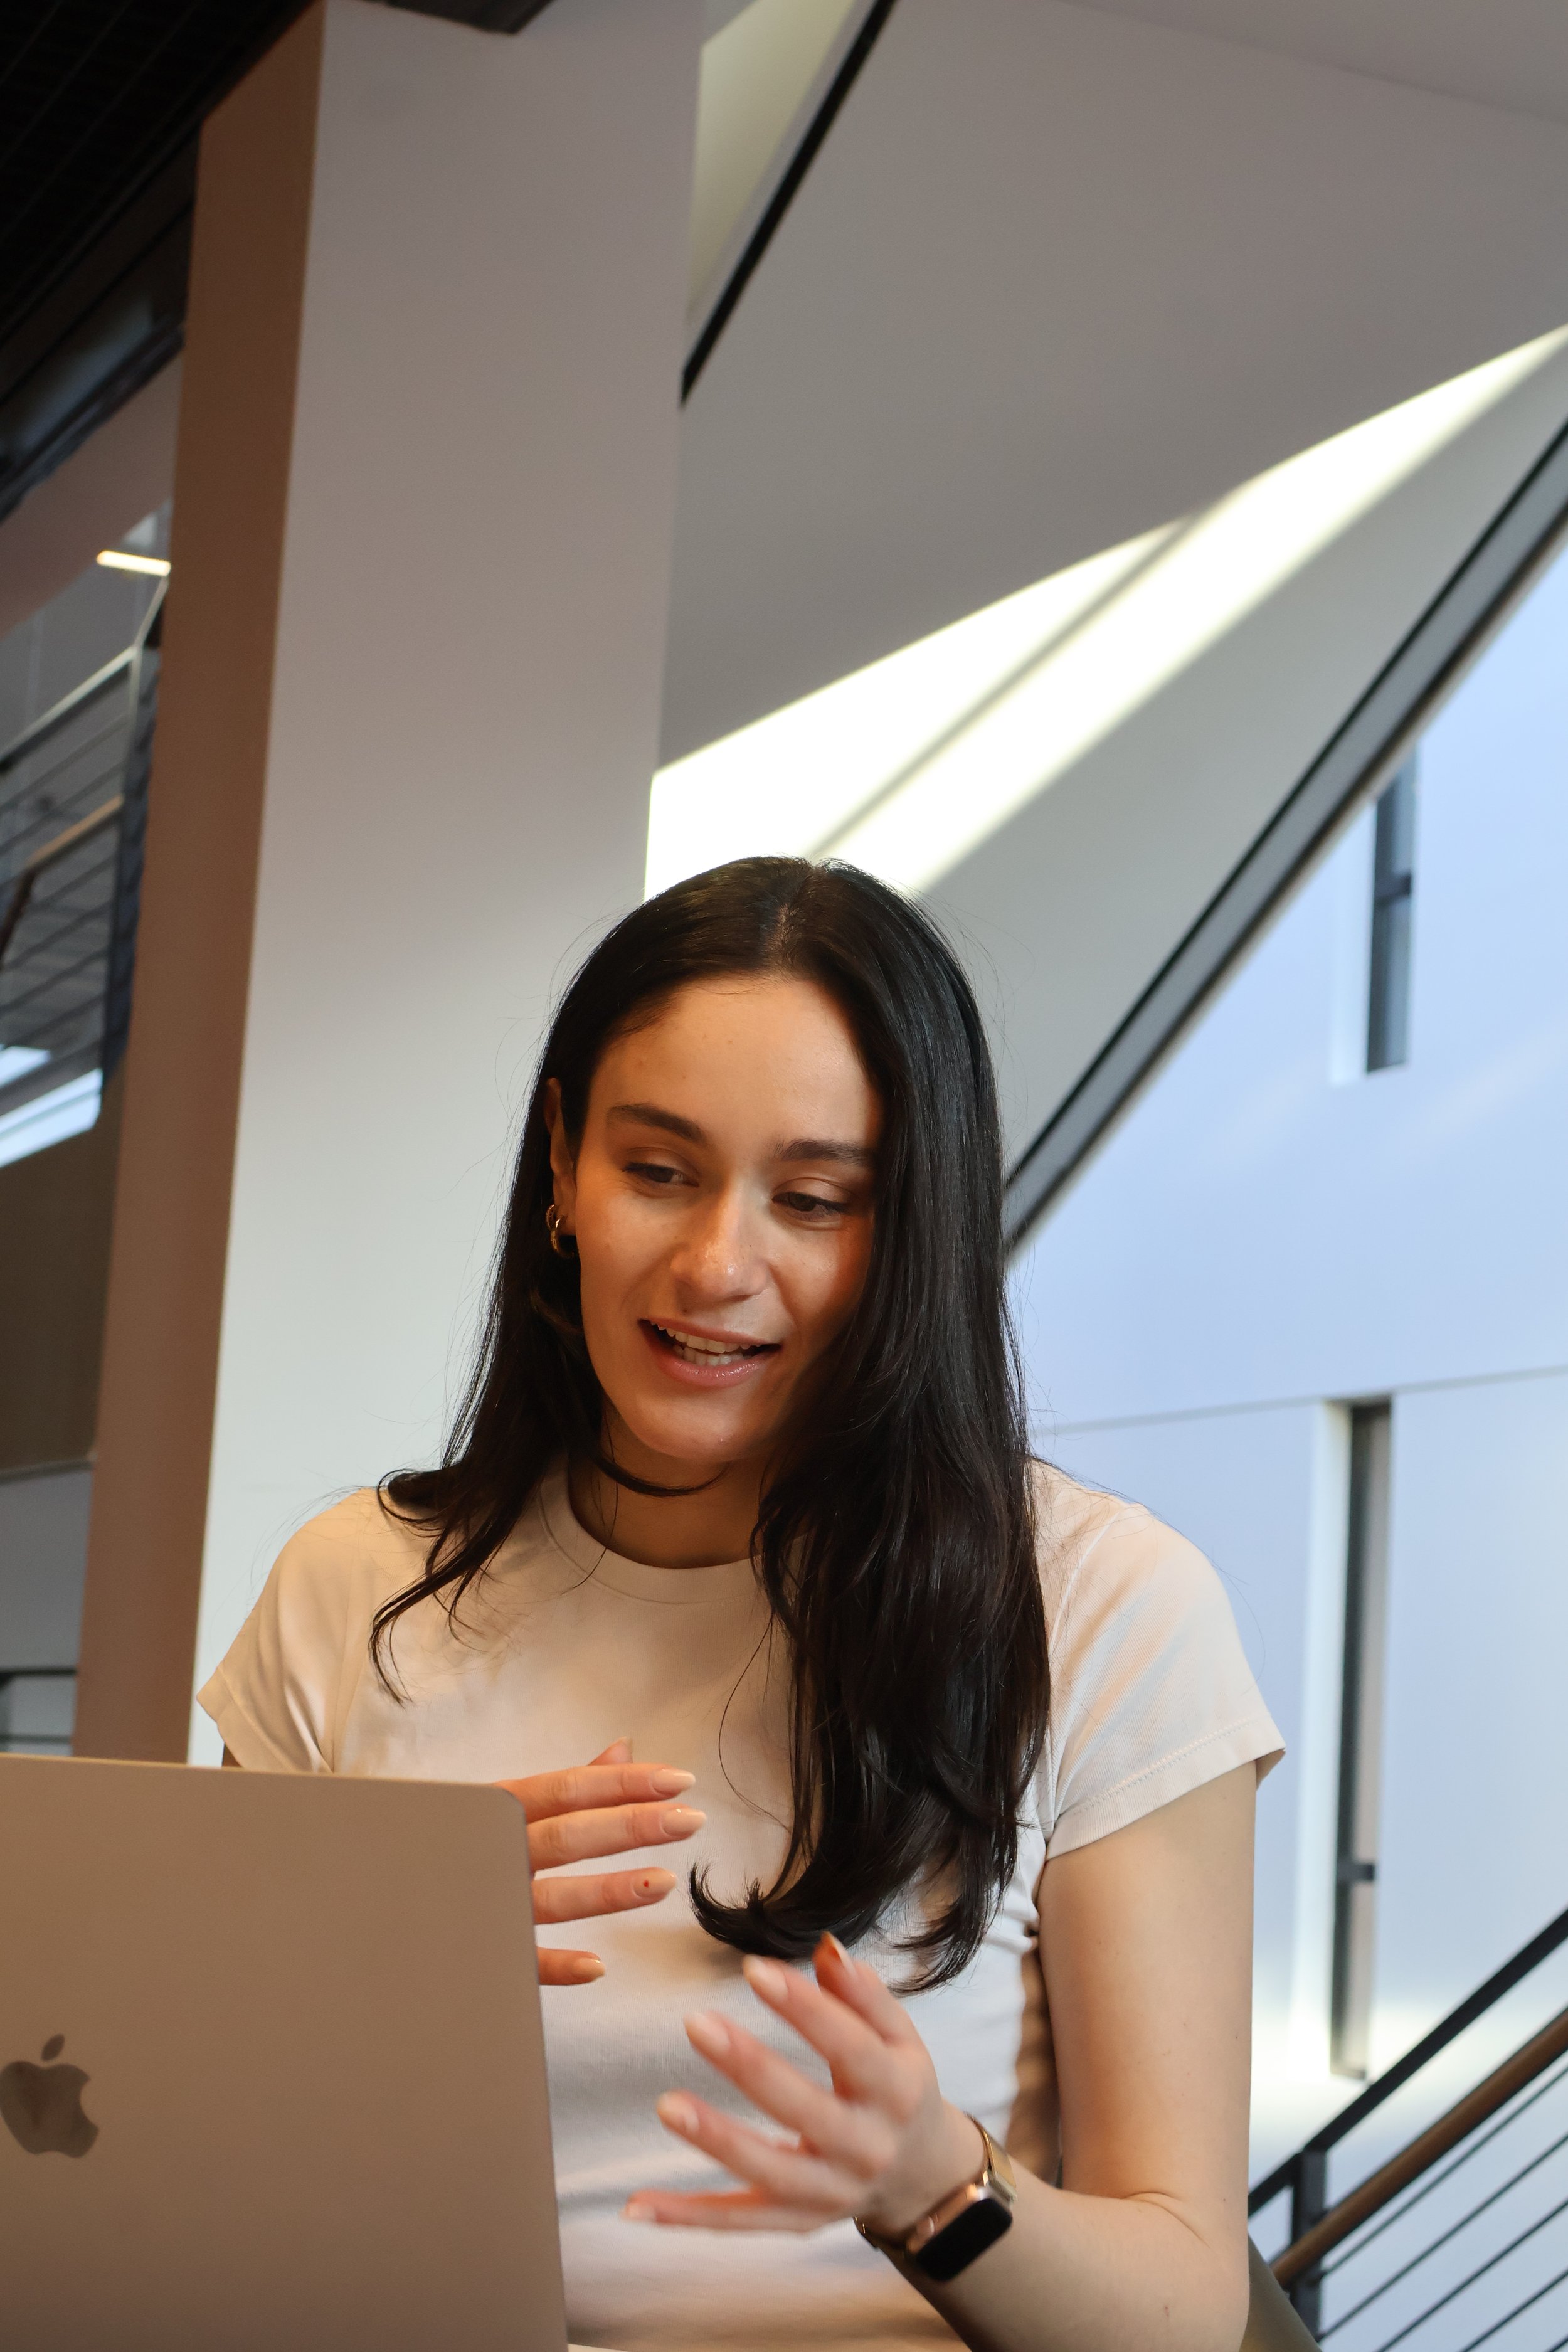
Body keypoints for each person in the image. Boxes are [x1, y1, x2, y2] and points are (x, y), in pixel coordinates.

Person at [202, 856, 1282, 2352]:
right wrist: (360, 1967)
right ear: (563, 1166)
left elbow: (1176, 2314)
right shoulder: (357, 1587)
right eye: (656, 1171)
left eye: (816, 1198)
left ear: (909, 1233)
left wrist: (927, 2182)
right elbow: (180, 2149)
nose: (717, 1266)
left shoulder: (1105, 1610)